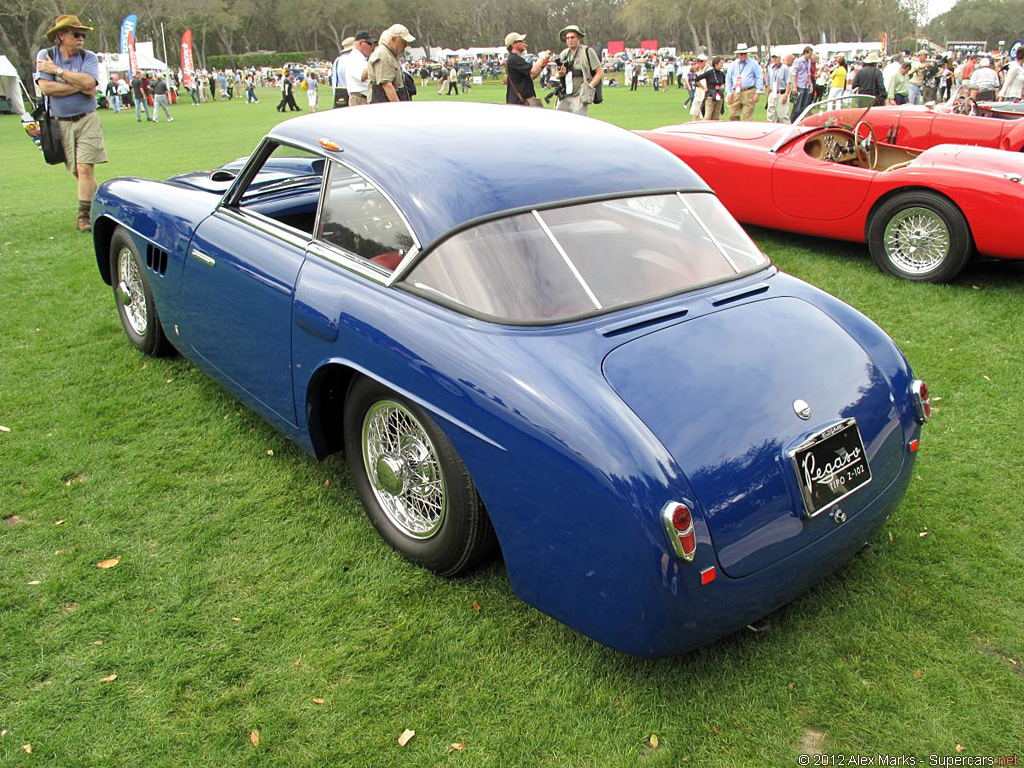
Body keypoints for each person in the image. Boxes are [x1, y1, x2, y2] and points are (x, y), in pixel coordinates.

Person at [35, 14, 107, 233]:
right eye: (76, 34)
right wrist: (80, 86)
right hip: (60, 124)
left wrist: (57, 72)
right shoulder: (46, 54)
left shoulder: (89, 57)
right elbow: (46, 88)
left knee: (85, 169)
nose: (81, 38)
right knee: (79, 173)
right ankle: (108, 202)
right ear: (61, 36)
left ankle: (84, 218)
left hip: (87, 118)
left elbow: (90, 82)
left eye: (83, 34)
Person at [554, 25, 603, 116]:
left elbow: (599, 72)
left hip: (579, 97)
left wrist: (589, 86)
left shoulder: (587, 52)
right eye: (567, 38)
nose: (569, 40)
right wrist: (560, 74)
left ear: (579, 38)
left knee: (579, 126)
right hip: (564, 96)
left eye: (572, 37)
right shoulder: (564, 54)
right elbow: (556, 74)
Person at [368, 24, 415, 103]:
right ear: (393, 39)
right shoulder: (383, 54)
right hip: (384, 104)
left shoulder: (391, 54)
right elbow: (387, 85)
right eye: (403, 42)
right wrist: (398, 107)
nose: (406, 45)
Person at [504, 32, 549, 106]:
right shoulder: (514, 59)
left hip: (521, 102)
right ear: (513, 44)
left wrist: (544, 63)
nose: (524, 42)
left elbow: (531, 76)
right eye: (520, 41)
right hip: (520, 103)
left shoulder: (515, 58)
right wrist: (542, 57)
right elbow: (533, 71)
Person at [725, 45, 763, 121]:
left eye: (745, 54)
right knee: (733, 115)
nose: (743, 56)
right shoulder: (733, 65)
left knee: (747, 116)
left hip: (748, 91)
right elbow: (728, 79)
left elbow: (759, 77)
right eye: (741, 54)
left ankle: (746, 132)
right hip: (736, 91)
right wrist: (729, 93)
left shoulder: (754, 64)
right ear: (738, 55)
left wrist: (758, 92)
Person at [345, 31, 374, 106]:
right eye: (369, 43)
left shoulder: (361, 58)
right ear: (360, 43)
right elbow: (362, 76)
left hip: (364, 98)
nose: (371, 47)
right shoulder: (354, 57)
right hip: (359, 99)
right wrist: (375, 63)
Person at [695, 56, 726, 120]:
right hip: (710, 96)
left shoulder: (722, 74)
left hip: (719, 96)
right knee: (707, 116)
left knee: (716, 117)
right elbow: (697, 79)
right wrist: (703, 88)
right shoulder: (710, 73)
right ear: (716, 64)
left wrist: (722, 86)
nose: (722, 65)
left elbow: (724, 83)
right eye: (721, 63)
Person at [766, 53, 792, 122]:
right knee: (770, 115)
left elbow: (788, 83)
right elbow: (768, 83)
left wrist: (786, 95)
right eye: (773, 57)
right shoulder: (770, 68)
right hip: (772, 93)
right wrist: (768, 95)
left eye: (776, 57)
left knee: (783, 115)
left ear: (780, 58)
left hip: (781, 93)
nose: (775, 59)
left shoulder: (785, 68)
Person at [789, 46, 813, 121]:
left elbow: (808, 73)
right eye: (810, 54)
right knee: (797, 107)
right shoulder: (798, 61)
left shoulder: (808, 62)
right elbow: (794, 74)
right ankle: (792, 121)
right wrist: (795, 87)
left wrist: (810, 84)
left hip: (806, 86)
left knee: (804, 106)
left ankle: (800, 120)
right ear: (805, 53)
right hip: (800, 85)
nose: (810, 56)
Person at [331, 36, 355, 108]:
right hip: (351, 95)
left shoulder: (338, 60)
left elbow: (334, 80)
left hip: (339, 94)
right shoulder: (353, 59)